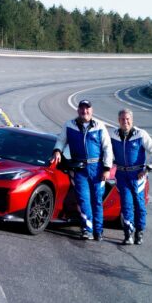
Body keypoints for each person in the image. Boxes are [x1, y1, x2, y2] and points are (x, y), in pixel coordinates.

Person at [51, 100, 113, 241]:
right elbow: (61, 140)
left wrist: (107, 168)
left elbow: (107, 148)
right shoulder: (69, 125)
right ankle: (87, 229)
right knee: (83, 200)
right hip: (79, 169)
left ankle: (98, 230)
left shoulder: (99, 126)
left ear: (91, 110)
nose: (85, 111)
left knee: (96, 200)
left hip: (97, 169)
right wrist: (57, 151)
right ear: (78, 110)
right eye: (82, 109)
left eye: (87, 109)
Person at [110, 108, 152, 245]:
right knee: (126, 204)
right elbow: (105, 149)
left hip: (137, 175)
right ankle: (128, 234)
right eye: (122, 119)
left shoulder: (141, 134)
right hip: (121, 174)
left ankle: (140, 231)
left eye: (127, 119)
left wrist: (148, 169)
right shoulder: (113, 134)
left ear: (132, 120)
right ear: (118, 120)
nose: (125, 122)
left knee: (139, 204)